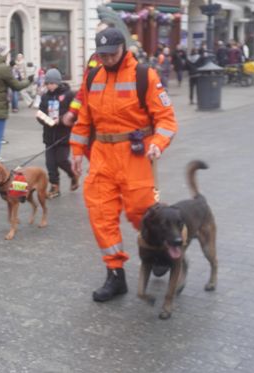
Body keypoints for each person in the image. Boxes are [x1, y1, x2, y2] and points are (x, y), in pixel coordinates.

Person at [70, 28, 178, 302]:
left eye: (112, 54)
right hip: (102, 155)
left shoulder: (145, 76)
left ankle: (161, 251)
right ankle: (115, 275)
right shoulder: (93, 76)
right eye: (102, 55)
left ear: (123, 48)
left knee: (141, 212)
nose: (106, 60)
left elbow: (166, 118)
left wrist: (158, 143)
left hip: (135, 155)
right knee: (100, 215)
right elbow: (84, 118)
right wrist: (76, 151)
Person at [0, 44, 31, 164]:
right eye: (8, 53)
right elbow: (16, 86)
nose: (9, 56)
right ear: (2, 54)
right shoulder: (3, 68)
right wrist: (29, 80)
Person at [35, 68, 78, 198]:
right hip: (49, 136)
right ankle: (55, 187)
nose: (50, 86)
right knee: (50, 163)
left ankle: (73, 175)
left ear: (58, 82)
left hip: (63, 136)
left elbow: (74, 114)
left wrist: (61, 120)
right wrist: (43, 119)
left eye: (52, 83)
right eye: (47, 83)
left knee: (61, 160)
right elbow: (40, 113)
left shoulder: (69, 95)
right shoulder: (45, 96)